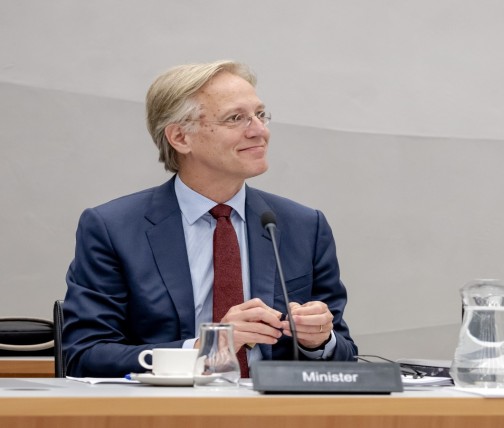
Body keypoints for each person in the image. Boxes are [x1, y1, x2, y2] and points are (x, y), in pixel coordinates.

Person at [63, 60, 357, 377]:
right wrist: (206, 347)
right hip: (168, 405)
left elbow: (345, 356)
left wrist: (319, 341)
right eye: (236, 118)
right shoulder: (113, 229)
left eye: (260, 115)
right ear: (180, 137)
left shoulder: (304, 227)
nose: (259, 131)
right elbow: (85, 355)